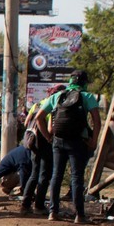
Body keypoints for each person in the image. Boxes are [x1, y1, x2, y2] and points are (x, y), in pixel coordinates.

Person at [36, 69, 103, 223]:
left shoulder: (57, 96)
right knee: (76, 177)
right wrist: (94, 140)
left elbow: (39, 117)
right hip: (78, 141)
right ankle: (79, 215)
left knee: (56, 175)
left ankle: (53, 212)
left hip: (58, 141)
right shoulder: (87, 97)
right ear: (85, 82)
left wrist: (48, 136)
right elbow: (97, 121)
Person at [21, 83, 66, 214]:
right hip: (45, 144)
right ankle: (39, 206)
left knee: (34, 174)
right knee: (44, 175)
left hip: (33, 143)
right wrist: (48, 137)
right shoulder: (53, 105)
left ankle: (25, 204)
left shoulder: (38, 104)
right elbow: (51, 128)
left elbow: (26, 122)